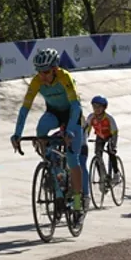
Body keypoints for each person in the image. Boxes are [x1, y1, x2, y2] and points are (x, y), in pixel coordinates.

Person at [11, 48, 84, 212]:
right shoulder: (36, 81)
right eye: (39, 71)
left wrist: (70, 131)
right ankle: (53, 168)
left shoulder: (65, 77)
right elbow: (24, 109)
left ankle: (78, 201)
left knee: (72, 158)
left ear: (55, 69)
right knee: (41, 128)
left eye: (45, 72)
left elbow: (76, 106)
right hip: (54, 113)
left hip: (72, 115)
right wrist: (17, 134)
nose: (42, 76)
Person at [85, 95, 120, 186]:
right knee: (97, 155)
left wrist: (113, 145)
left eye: (99, 107)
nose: (96, 109)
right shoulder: (91, 117)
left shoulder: (109, 118)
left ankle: (116, 173)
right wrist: (84, 140)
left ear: (104, 108)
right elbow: (86, 130)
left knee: (111, 151)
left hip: (110, 135)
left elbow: (115, 132)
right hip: (100, 136)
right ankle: (102, 176)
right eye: (94, 106)